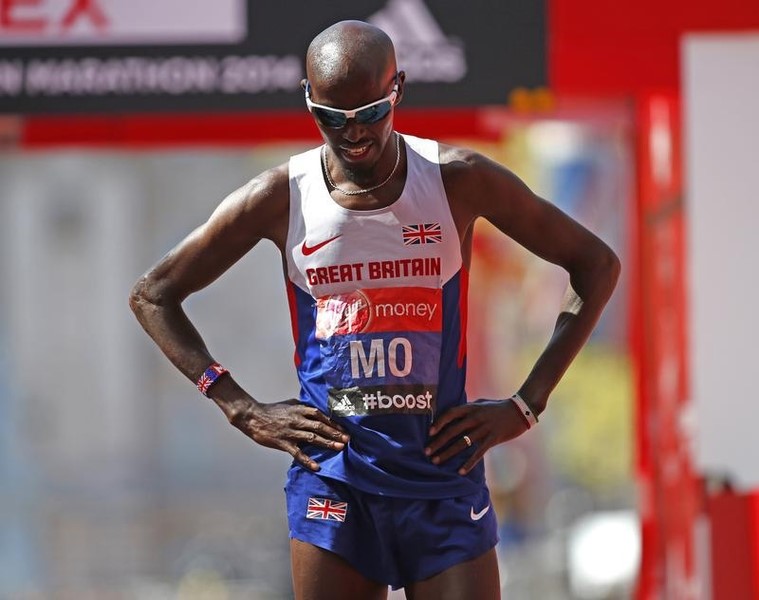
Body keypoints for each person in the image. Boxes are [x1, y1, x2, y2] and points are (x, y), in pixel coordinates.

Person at [129, 20, 620, 600]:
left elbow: (595, 265)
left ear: (398, 90)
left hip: (440, 474)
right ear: (308, 102)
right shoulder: (282, 195)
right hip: (335, 482)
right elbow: (153, 294)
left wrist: (525, 405)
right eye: (332, 118)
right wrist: (241, 408)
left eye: (369, 112)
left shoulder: (456, 180)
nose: (353, 133)